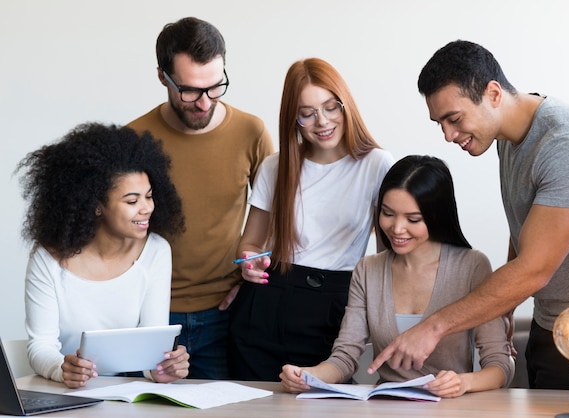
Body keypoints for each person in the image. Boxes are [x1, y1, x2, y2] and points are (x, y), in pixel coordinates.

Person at [370, 39, 569, 409]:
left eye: (454, 119)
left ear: (492, 93)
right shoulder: (507, 137)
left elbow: (535, 268)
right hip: (551, 328)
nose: (447, 135)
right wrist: (503, 305)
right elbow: (527, 226)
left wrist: (433, 327)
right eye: (439, 122)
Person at [280, 155, 513, 397]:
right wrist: (308, 376)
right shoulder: (368, 269)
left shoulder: (472, 266)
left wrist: (462, 383)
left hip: (449, 410)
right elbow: (345, 357)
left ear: (437, 216)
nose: (397, 228)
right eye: (388, 213)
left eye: (413, 219)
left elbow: (499, 366)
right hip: (386, 407)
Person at [228, 57, 395, 381]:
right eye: (307, 113)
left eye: (331, 107)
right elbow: (249, 244)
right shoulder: (276, 167)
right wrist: (249, 263)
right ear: (294, 119)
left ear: (345, 105)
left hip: (333, 305)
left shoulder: (377, 164)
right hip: (266, 303)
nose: (322, 121)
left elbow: (386, 256)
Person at [127, 17, 274, 379]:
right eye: (190, 90)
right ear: (163, 76)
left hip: (227, 315)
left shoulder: (251, 132)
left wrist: (250, 277)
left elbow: (280, 215)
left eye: (215, 87)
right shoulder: (133, 138)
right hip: (148, 316)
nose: (204, 102)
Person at [17, 122, 189, 389]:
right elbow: (40, 346)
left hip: (126, 392)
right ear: (96, 206)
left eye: (149, 196)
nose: (146, 209)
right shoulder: (47, 258)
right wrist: (62, 369)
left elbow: (150, 345)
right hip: (64, 391)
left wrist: (162, 368)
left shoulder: (156, 250)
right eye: (132, 201)